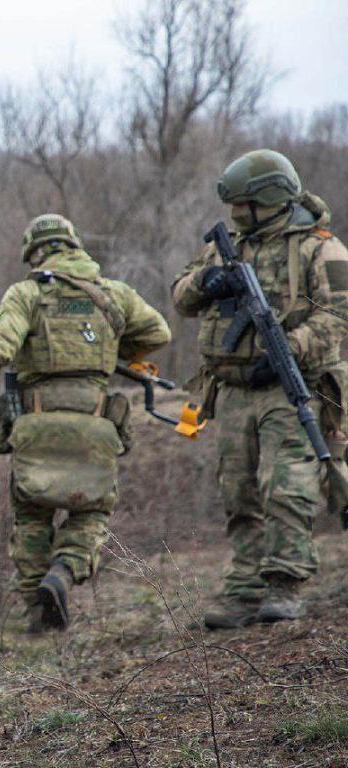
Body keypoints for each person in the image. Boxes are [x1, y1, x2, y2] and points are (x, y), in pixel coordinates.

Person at [0, 214, 170, 632]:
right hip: (95, 424)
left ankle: (38, 613)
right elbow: (158, 333)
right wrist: (110, 348)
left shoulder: (27, 293)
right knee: (91, 512)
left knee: (32, 517)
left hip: (36, 424)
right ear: (74, 246)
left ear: (35, 254)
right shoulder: (115, 294)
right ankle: (64, 570)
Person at [171, 149, 348, 629]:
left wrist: (291, 347)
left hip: (290, 386)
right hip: (231, 389)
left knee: (285, 485)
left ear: (268, 200)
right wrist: (208, 281)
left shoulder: (319, 248)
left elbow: (338, 314)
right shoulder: (227, 246)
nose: (234, 214)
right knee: (238, 488)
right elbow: (181, 296)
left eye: (242, 205)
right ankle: (245, 587)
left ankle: (284, 584)